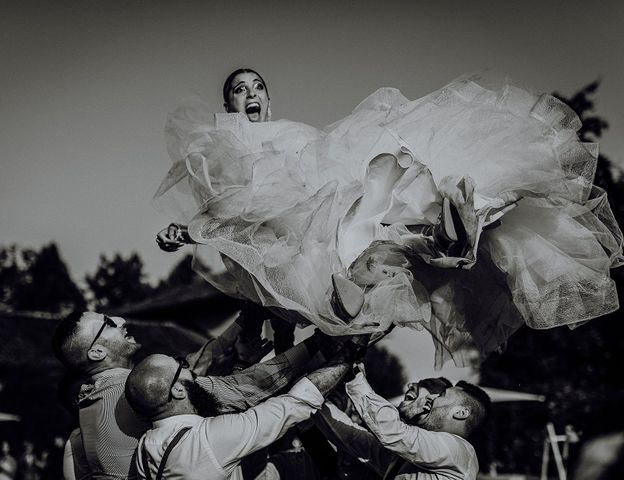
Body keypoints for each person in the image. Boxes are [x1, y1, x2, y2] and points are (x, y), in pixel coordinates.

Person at [155, 68, 623, 366]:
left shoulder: (288, 132)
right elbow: (225, 206)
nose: (251, 94)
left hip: (318, 223)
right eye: (240, 89)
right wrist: (188, 230)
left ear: (269, 101)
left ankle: (458, 220)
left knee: (383, 209)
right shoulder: (219, 148)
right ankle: (447, 235)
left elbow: (320, 163)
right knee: (316, 296)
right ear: (230, 103)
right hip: (283, 248)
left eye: (258, 87)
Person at [51, 310, 330, 479]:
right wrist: (319, 342)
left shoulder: (87, 413)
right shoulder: (130, 392)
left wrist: (244, 321)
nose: (120, 320)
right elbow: (240, 389)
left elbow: (188, 366)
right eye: (108, 324)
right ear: (97, 352)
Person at [124, 341, 362, 480]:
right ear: (177, 390)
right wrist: (352, 348)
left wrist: (244, 364)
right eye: (182, 365)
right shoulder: (209, 440)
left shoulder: (145, 447)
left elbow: (232, 402)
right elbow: (295, 403)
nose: (190, 369)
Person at [315, 369, 489, 479]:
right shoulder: (407, 457)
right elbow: (353, 438)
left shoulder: (461, 451)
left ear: (461, 413)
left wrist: (354, 375)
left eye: (441, 395)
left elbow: (394, 431)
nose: (431, 397)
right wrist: (313, 395)